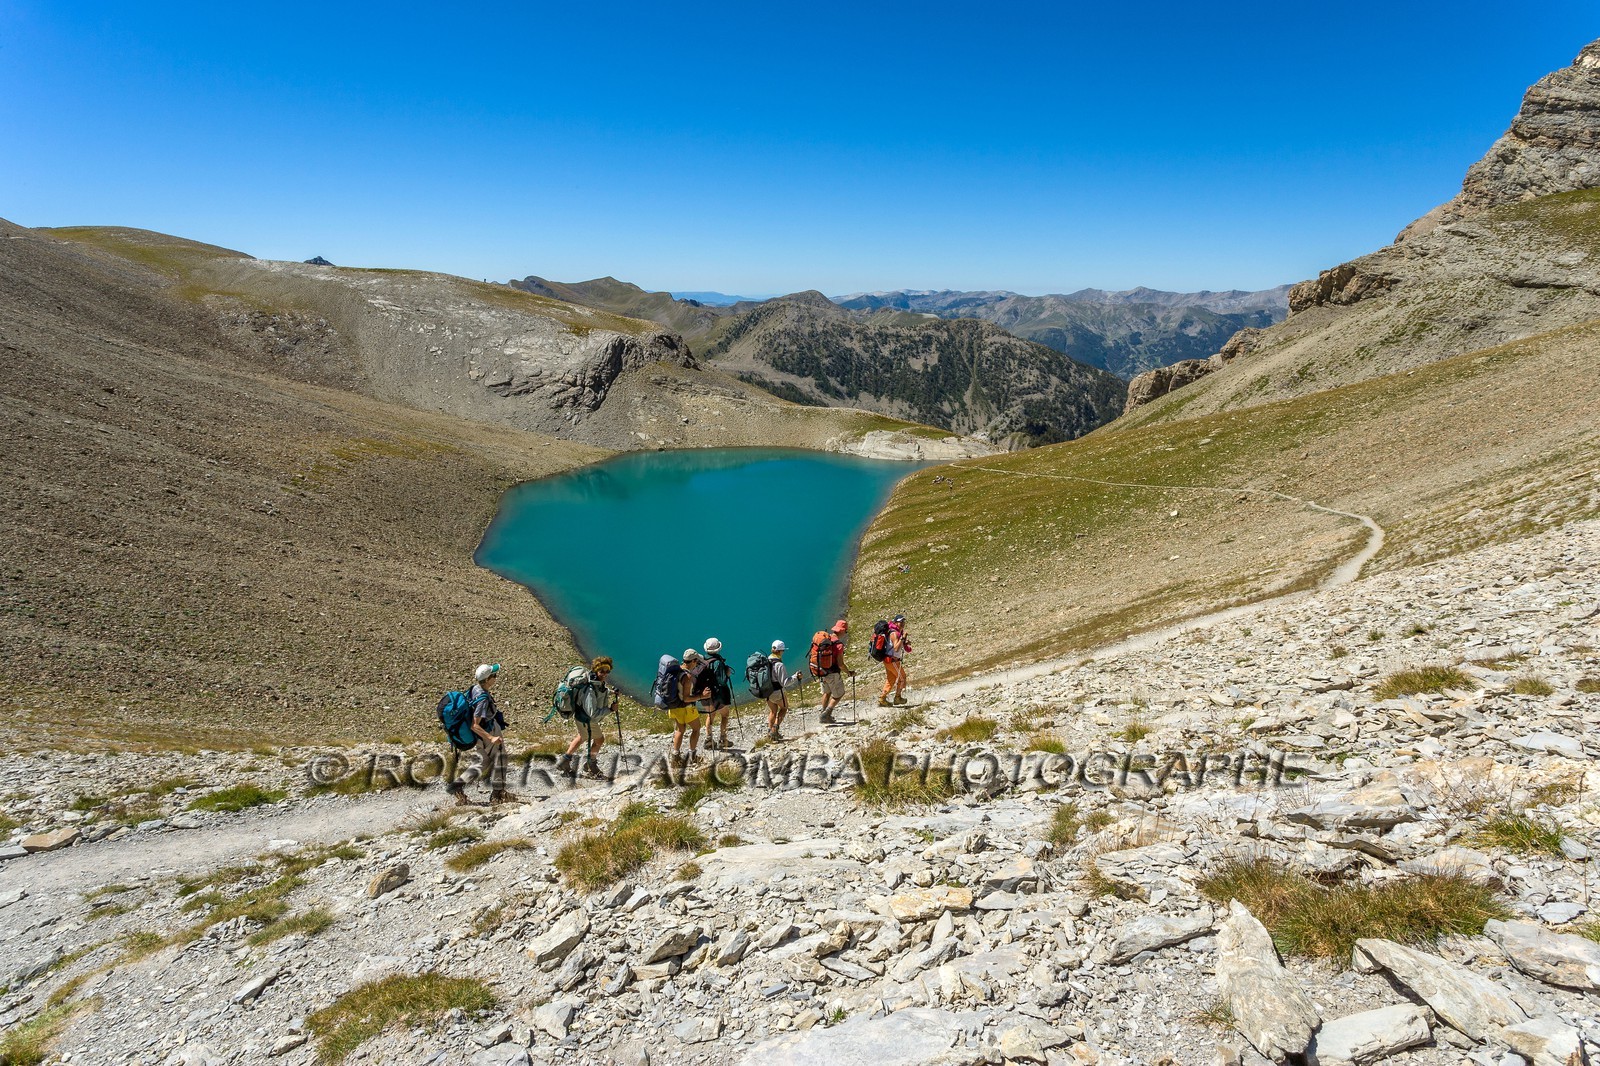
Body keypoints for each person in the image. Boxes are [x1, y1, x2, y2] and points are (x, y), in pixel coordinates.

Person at [449, 663, 512, 805]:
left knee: (483, 761)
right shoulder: (482, 697)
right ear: (487, 679)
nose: (496, 678)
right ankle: (498, 793)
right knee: (500, 758)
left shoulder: (474, 690)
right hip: (488, 733)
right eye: (494, 676)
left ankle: (457, 785)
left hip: (480, 737)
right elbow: (474, 724)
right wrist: (491, 737)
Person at [559, 656, 616, 779]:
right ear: (596, 671)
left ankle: (564, 761)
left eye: (607, 671)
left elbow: (600, 691)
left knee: (582, 736)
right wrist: (610, 709)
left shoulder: (596, 682)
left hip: (581, 719)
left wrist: (610, 692)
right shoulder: (590, 689)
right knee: (600, 740)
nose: (605, 674)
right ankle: (591, 764)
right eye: (602, 671)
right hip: (588, 720)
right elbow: (593, 713)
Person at [810, 620, 855, 724]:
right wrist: (848, 672)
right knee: (839, 694)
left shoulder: (826, 639)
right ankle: (825, 715)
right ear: (842, 631)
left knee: (827, 692)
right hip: (832, 673)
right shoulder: (838, 645)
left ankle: (824, 714)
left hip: (821, 672)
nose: (846, 633)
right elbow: (840, 664)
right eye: (846, 631)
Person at [672, 648, 711, 765]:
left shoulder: (677, 669)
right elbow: (686, 698)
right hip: (686, 708)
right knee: (696, 729)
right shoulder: (687, 677)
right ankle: (692, 756)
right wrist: (701, 696)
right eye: (697, 662)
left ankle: (675, 757)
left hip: (674, 706)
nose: (697, 664)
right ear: (693, 661)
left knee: (680, 729)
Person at [699, 638, 735, 751]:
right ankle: (723, 739)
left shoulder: (701, 660)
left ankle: (709, 739)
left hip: (704, 694)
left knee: (710, 715)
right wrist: (727, 674)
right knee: (725, 714)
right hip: (716, 695)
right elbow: (722, 681)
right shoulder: (718, 663)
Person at [765, 639, 805, 741]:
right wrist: (796, 676)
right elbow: (785, 683)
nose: (783, 652)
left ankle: (770, 733)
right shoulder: (779, 665)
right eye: (783, 650)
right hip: (777, 692)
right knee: (784, 708)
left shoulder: (766, 660)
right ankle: (774, 730)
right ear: (780, 651)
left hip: (767, 692)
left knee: (773, 711)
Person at [879, 615, 911, 707]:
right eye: (901, 622)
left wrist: (904, 642)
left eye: (904, 622)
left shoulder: (894, 632)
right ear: (896, 622)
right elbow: (896, 648)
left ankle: (882, 698)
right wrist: (902, 638)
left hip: (888, 661)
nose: (903, 624)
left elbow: (896, 645)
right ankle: (898, 697)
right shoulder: (894, 633)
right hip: (893, 661)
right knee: (902, 678)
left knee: (891, 680)